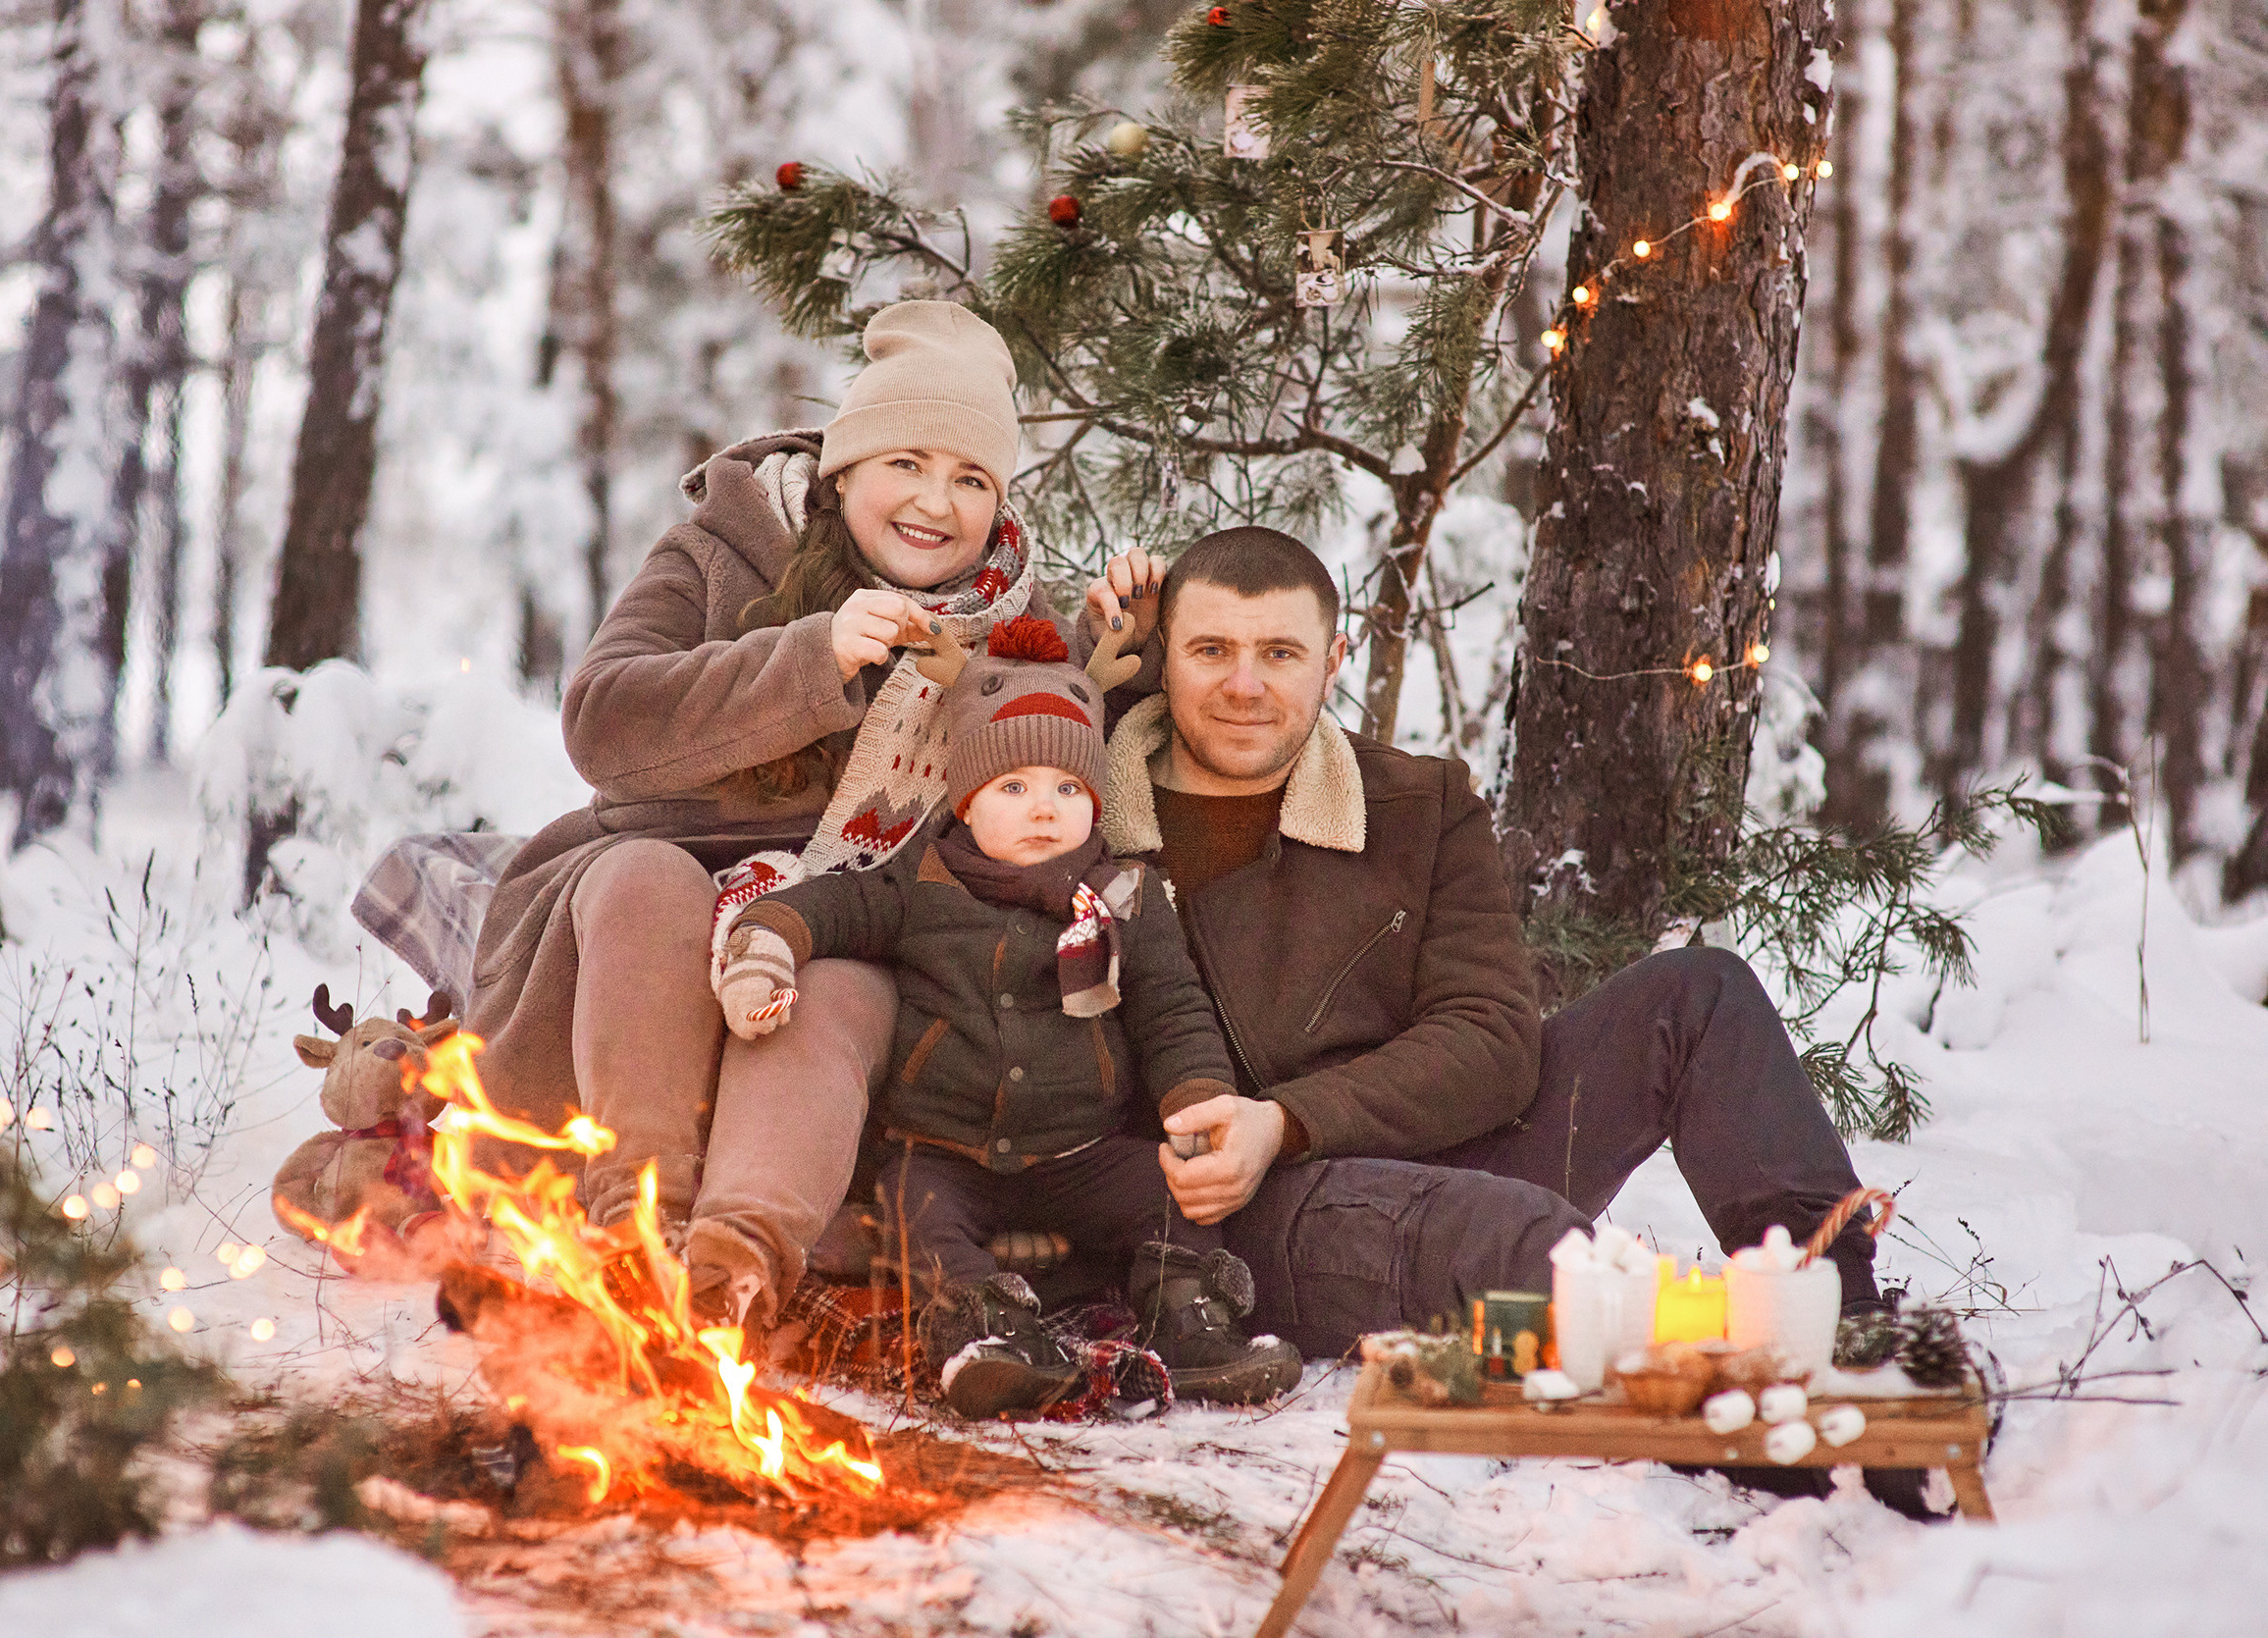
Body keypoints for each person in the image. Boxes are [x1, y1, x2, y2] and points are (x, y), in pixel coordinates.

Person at [1076, 525, 1890, 1356]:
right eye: (1210, 649)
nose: (1244, 685)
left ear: (1334, 659)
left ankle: (1841, 1310)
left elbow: (1494, 1039)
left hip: (1418, 1150)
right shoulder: (1079, 813)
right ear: (1162, 655)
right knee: (1517, 1241)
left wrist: (1287, 1119)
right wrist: (1093, 671)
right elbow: (998, 737)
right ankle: (1677, 1337)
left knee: (1697, 992)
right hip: (1244, 1218)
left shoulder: (1418, 803)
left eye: (1281, 653)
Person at [460, 300, 1100, 1330]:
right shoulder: (722, 549)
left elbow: (1068, 772)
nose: (936, 500)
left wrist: (1139, 641)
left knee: (837, 976)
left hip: (846, 922)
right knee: (645, 882)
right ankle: (636, 1226)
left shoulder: (1011, 629)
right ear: (841, 469)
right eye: (907, 461)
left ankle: (731, 1270)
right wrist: (812, 656)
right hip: (645, 893)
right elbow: (602, 719)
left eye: (972, 478)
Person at [712, 616, 1302, 1416]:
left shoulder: (1122, 895)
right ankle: (987, 1335)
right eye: (1013, 787)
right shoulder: (922, 881)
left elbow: (1172, 1004)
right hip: (943, 1148)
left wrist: (1195, 1096)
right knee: (913, 1213)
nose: (1043, 809)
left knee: (1168, 1195)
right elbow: (831, 904)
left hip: (1079, 1148)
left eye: (1067, 789)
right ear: (967, 797)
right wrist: (769, 942)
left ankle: (1191, 1324)